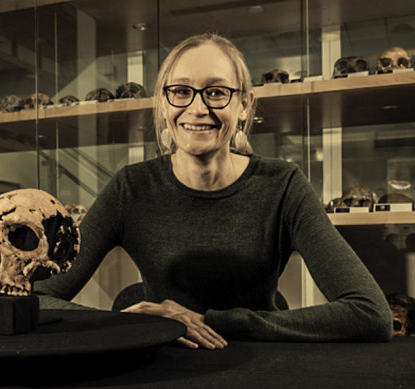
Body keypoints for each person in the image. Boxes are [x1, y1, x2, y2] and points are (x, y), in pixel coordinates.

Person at [35, 33, 392, 349]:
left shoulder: (283, 186)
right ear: (163, 102)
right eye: (180, 91)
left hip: (262, 357)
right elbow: (35, 298)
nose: (197, 108)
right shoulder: (130, 188)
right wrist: (128, 323)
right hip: (164, 362)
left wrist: (217, 321)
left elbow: (369, 312)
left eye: (217, 92)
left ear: (244, 105)